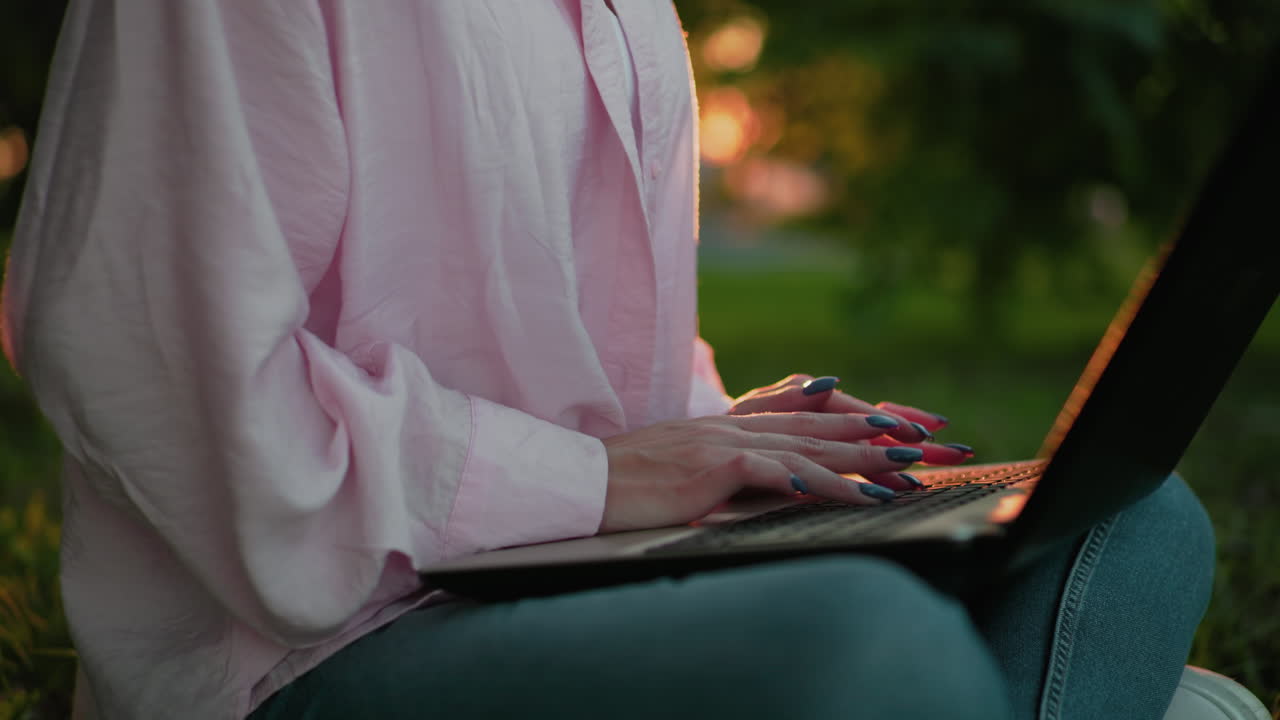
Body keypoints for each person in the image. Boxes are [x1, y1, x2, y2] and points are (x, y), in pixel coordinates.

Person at [0, 1, 1215, 718]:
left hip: (583, 570)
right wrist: (599, 480)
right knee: (867, 646)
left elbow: (590, 354)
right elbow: (134, 344)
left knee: (1131, 523)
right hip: (310, 649)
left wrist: (722, 440)